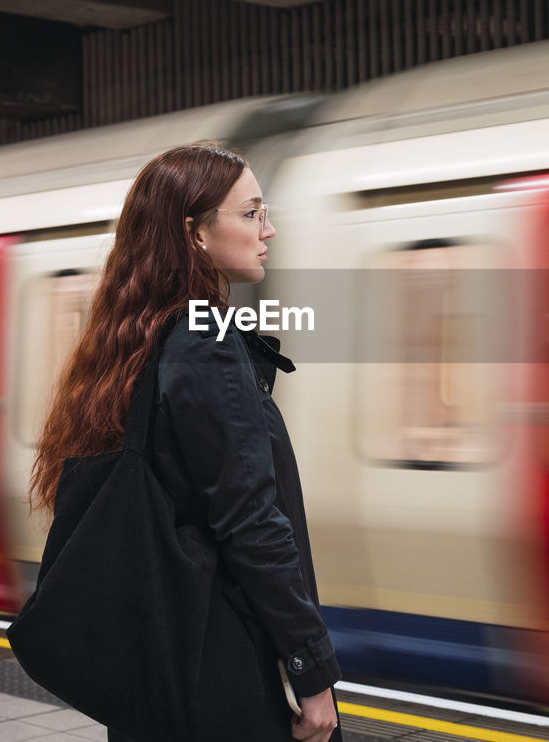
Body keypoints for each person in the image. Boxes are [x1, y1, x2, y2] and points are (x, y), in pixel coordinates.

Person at [29, 142, 342, 742]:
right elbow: (250, 519)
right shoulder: (205, 343)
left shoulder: (140, 341)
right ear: (194, 231)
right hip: (222, 671)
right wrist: (310, 667)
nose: (269, 229)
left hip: (166, 666)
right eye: (251, 213)